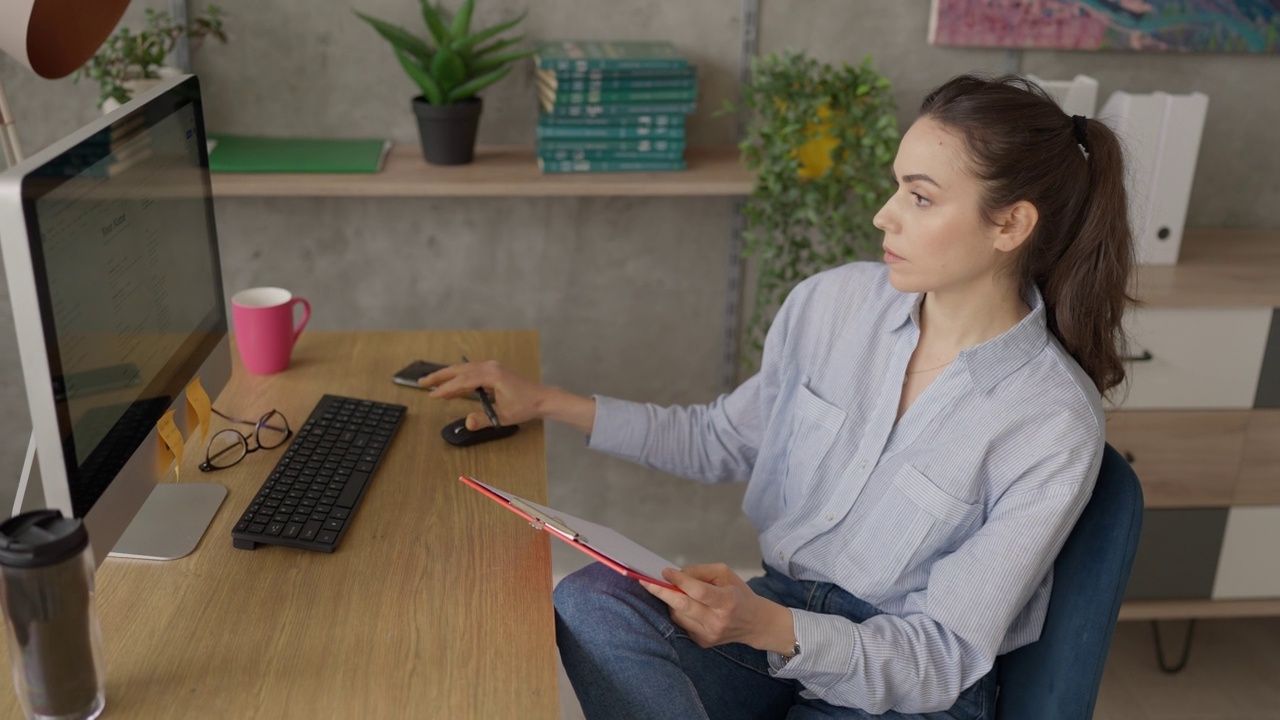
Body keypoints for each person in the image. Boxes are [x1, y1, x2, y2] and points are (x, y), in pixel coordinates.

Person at [421, 73, 1135, 719]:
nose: (885, 216)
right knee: (589, 601)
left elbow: (940, 659)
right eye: (896, 187)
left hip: (904, 692)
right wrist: (543, 403)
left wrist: (761, 625)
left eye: (919, 197)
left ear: (1010, 224)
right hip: (775, 619)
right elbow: (718, 439)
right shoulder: (831, 306)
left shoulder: (1050, 419)